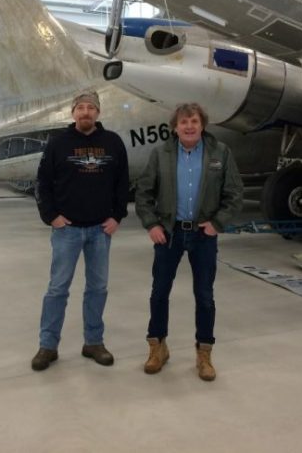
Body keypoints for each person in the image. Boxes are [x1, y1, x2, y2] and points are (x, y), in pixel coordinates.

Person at [135, 103, 242, 381]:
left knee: (205, 296)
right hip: (169, 234)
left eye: (194, 121)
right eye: (184, 122)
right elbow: (144, 194)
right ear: (175, 127)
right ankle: (158, 347)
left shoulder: (221, 153)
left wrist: (217, 223)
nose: (189, 126)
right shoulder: (161, 154)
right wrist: (152, 224)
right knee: (159, 292)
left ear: (202, 124)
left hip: (203, 235)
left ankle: (204, 354)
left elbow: (234, 194)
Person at [31, 89, 129, 371]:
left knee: (97, 288)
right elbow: (43, 182)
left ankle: (93, 342)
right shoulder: (58, 144)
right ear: (73, 112)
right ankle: (47, 346)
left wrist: (117, 216)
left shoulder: (113, 142)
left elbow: (123, 182)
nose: (85, 112)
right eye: (81, 108)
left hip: (101, 230)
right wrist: (51, 217)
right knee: (57, 289)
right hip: (67, 230)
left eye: (91, 108)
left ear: (98, 112)